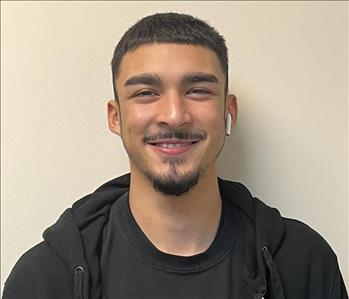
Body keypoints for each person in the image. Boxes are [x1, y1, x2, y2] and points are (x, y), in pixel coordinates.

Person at [2, 12, 347, 299]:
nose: (174, 114)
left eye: (197, 90)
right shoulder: (44, 280)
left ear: (229, 111)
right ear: (115, 117)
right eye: (146, 92)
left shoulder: (305, 264)